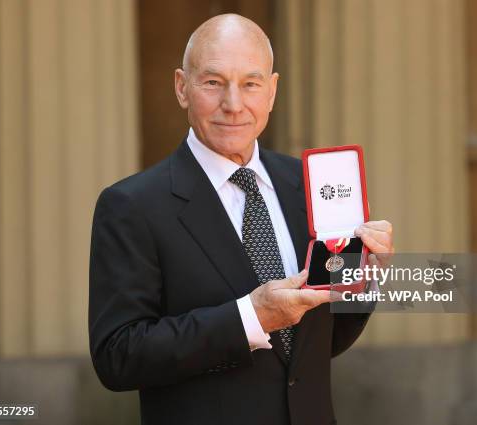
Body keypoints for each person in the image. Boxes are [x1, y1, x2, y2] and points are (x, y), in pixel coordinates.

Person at [89, 13, 393, 425]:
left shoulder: (307, 184)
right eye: (213, 82)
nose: (233, 105)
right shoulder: (131, 206)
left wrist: (363, 277)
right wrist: (249, 317)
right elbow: (117, 356)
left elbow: (316, 346)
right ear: (182, 87)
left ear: (272, 91)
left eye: (250, 84)